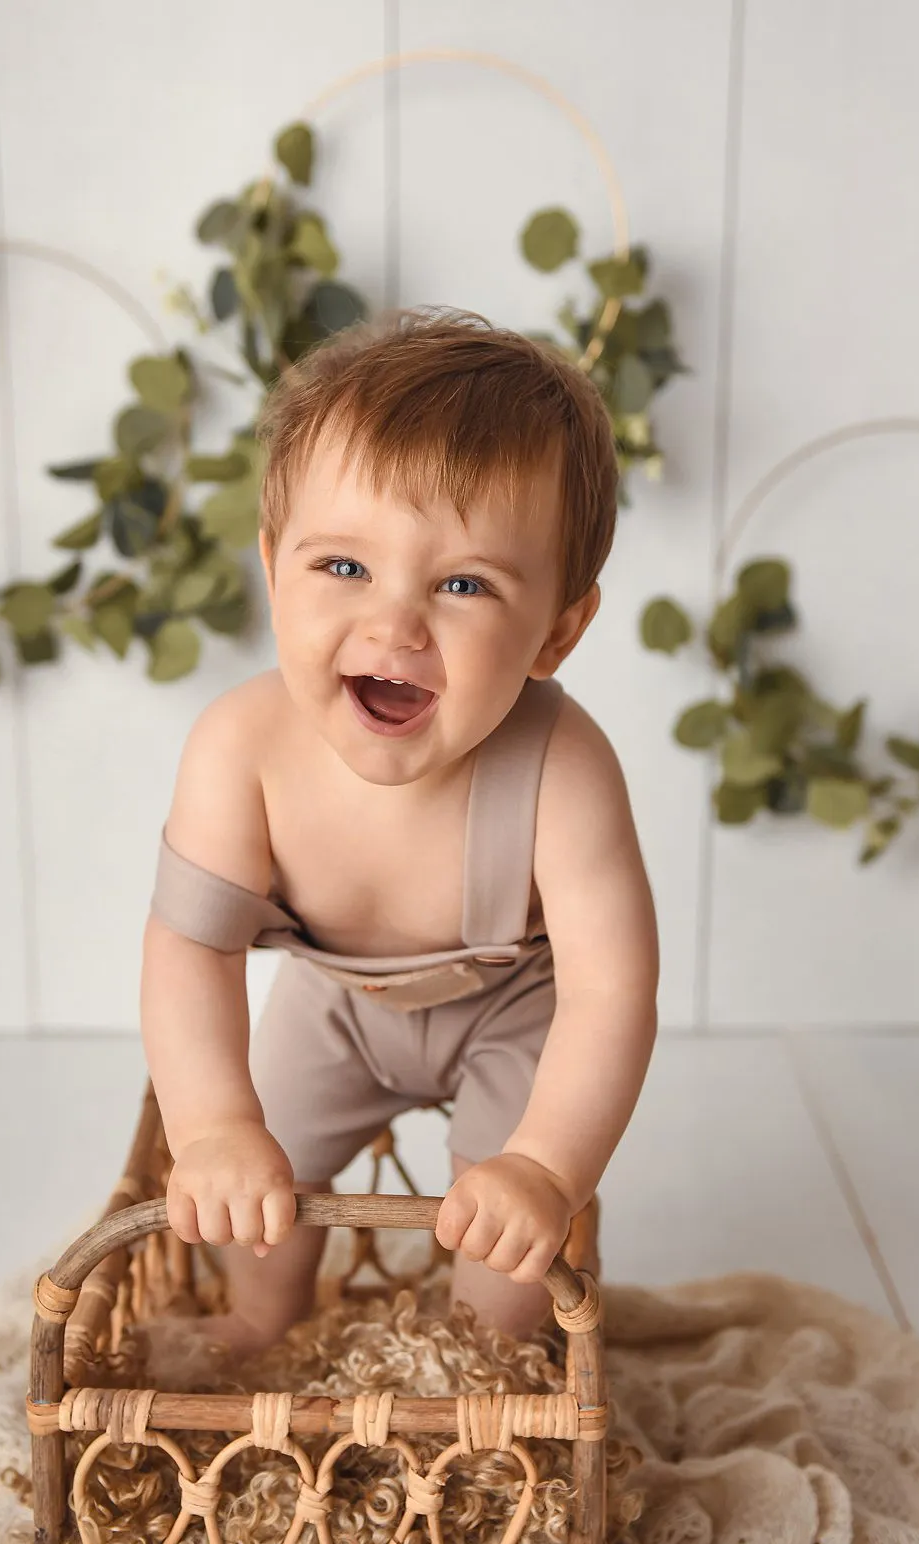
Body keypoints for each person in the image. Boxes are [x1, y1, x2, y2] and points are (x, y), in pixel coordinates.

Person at [140, 305, 659, 1364]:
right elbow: (192, 947)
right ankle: (262, 1322)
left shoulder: (566, 769)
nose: (395, 627)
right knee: (261, 1177)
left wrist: (547, 1170)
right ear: (274, 562)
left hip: (519, 1009)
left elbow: (612, 993)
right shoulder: (239, 749)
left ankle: (477, 1364)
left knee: (509, 1248)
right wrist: (212, 1131)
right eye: (343, 568)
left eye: (464, 585)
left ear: (558, 629)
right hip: (333, 1008)